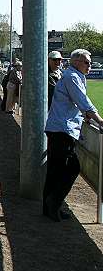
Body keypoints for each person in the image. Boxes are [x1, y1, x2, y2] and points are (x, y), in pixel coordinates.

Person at [43, 48, 103, 221]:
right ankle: (54, 202)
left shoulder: (72, 76)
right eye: (87, 62)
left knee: (55, 170)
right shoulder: (72, 77)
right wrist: (99, 121)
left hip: (60, 128)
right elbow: (84, 102)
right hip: (63, 130)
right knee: (71, 167)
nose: (90, 66)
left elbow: (77, 103)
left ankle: (50, 207)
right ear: (76, 62)